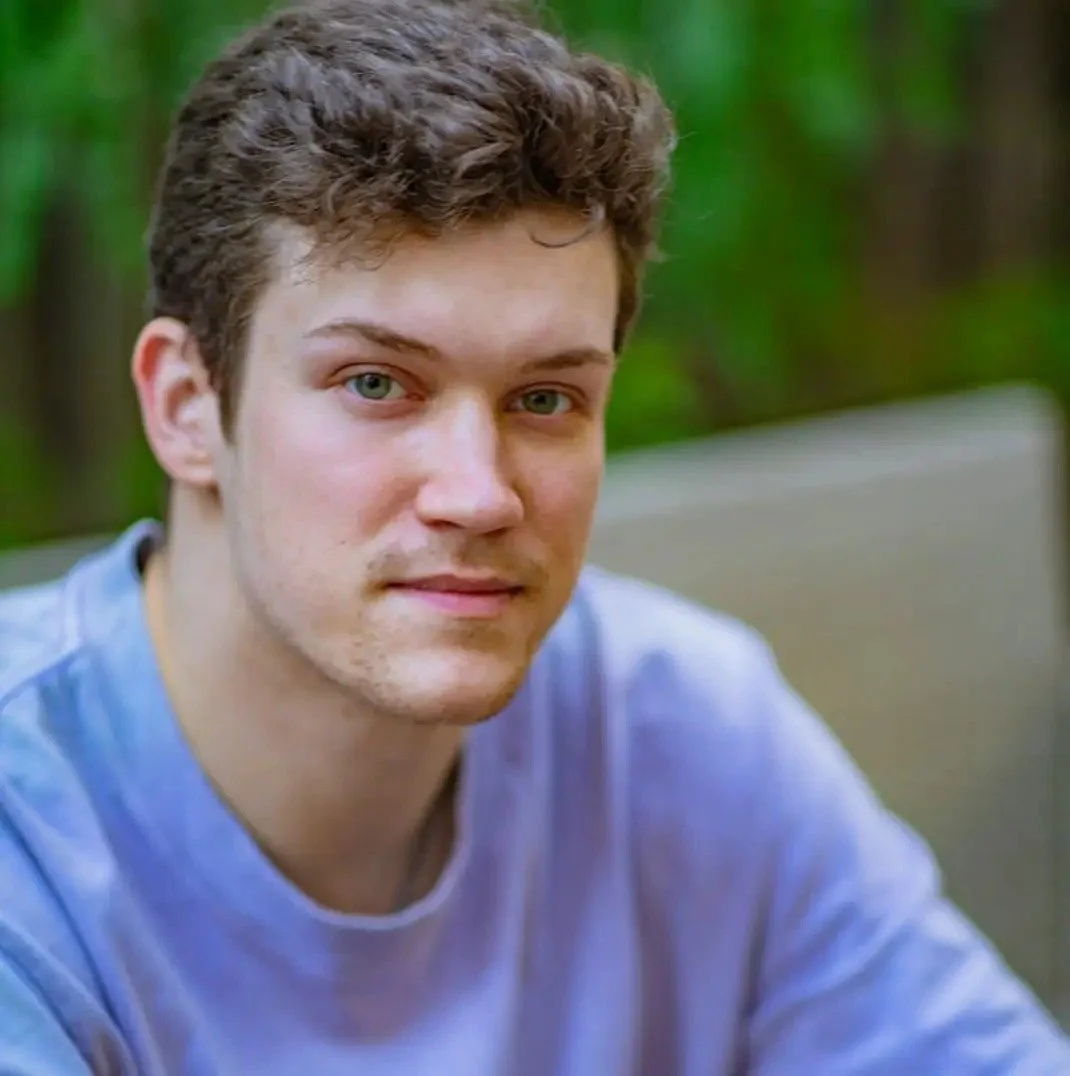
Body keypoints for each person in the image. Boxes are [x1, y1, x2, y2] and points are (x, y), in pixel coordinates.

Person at [1, 0, 1067, 1071]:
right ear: (186, 403)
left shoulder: (682, 730)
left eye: (546, 398)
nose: (477, 493)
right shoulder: (27, 843)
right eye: (374, 382)